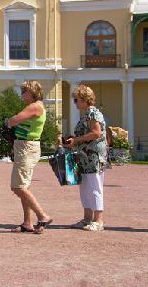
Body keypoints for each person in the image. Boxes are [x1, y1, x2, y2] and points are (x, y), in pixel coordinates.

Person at [6, 80, 53, 234]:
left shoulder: (35, 106)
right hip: (25, 146)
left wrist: (9, 122)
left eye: (24, 91)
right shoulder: (36, 106)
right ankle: (27, 222)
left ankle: (42, 215)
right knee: (24, 186)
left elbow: (14, 120)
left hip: (27, 147)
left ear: (32, 93)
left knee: (18, 187)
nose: (22, 94)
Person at [66, 85, 107, 232]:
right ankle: (87, 218)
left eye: (76, 100)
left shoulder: (93, 113)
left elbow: (96, 133)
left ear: (84, 99)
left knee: (95, 187)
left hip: (94, 157)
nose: (75, 103)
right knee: (85, 187)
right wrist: (75, 139)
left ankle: (99, 220)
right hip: (84, 157)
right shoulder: (86, 114)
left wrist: (77, 140)